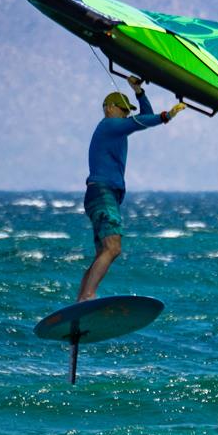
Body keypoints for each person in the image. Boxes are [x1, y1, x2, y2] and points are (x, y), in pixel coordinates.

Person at [77, 76, 185, 302]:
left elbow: (143, 118)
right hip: (103, 192)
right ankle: (88, 295)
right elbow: (139, 122)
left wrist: (139, 92)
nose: (125, 115)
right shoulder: (109, 125)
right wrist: (166, 116)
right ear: (108, 108)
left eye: (128, 111)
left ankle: (81, 300)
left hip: (103, 194)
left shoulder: (116, 128)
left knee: (104, 252)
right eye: (122, 110)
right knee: (113, 247)